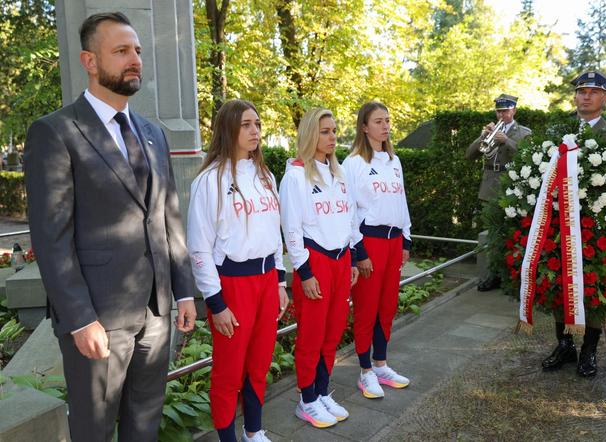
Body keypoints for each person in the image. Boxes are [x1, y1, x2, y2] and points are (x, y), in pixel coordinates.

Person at [23, 12, 196, 441]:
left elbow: (168, 216)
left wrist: (185, 289)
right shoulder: (55, 132)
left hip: (157, 313)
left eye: (136, 50)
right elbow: (51, 236)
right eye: (121, 51)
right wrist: (80, 319)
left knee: (145, 424)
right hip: (99, 318)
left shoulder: (152, 134)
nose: (134, 59)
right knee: (94, 429)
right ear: (90, 61)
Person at [187, 100, 289, 442]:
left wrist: (279, 280)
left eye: (257, 124)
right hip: (232, 283)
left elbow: (275, 233)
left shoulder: (265, 176)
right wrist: (216, 303)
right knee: (229, 371)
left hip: (265, 281)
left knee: (259, 363)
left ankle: (254, 431)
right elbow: (199, 247)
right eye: (246, 124)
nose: (255, 131)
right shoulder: (209, 181)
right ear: (228, 129)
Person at [542, 70, 606, 378]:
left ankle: (588, 351)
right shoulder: (559, 132)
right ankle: (564, 344)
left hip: (598, 229)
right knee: (558, 281)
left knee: (596, 286)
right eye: (581, 91)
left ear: (604, 98)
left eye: (593, 92)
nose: (586, 96)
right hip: (559, 224)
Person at [280, 108, 359, 428]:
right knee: (312, 335)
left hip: (341, 261)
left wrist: (352, 257)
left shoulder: (339, 174)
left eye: (334, 131)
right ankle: (307, 399)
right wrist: (305, 271)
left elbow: (350, 218)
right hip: (316, 261)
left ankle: (322, 391)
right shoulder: (296, 175)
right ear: (311, 134)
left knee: (333, 331)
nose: (332, 137)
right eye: (325, 131)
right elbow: (292, 229)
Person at [343, 102, 411, 400]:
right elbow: (348, 212)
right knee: (367, 309)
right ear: (364, 127)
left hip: (394, 241)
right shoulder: (353, 163)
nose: (385, 126)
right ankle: (364, 371)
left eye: (387, 120)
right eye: (378, 121)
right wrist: (359, 252)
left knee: (387, 307)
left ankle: (381, 364)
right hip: (369, 242)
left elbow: (402, 201)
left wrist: (406, 239)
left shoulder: (393, 161)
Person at [467, 94, 532, 291]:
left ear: (514, 111)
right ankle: (492, 275)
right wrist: (482, 136)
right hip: (490, 188)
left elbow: (529, 156)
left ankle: (515, 276)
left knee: (514, 232)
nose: (502, 114)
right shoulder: (488, 131)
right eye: (499, 111)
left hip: (513, 187)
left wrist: (507, 141)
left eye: (505, 110)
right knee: (492, 234)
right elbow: (469, 155)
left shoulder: (524, 133)